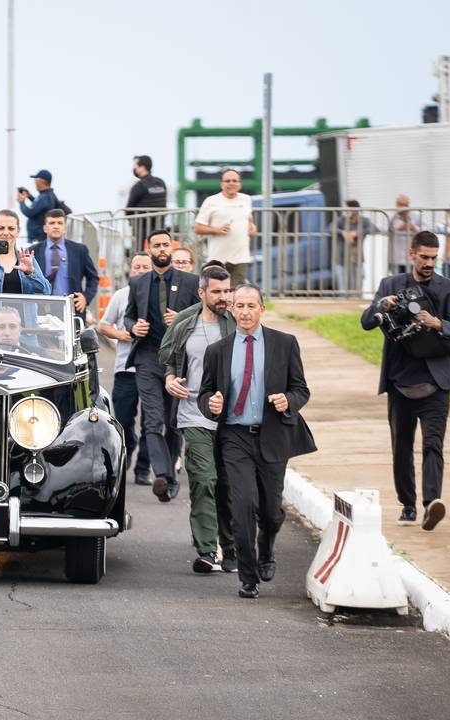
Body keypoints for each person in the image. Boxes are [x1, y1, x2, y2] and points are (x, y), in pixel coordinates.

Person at [198, 284, 316, 599]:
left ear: (262, 309)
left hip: (273, 435)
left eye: (252, 306)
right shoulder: (218, 351)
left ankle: (267, 550)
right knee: (243, 506)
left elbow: (301, 389)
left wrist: (287, 400)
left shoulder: (285, 344)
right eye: (240, 306)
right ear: (232, 310)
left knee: (270, 512)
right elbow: (205, 394)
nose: (246, 312)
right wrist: (212, 403)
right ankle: (248, 578)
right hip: (235, 437)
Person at [360, 230, 450, 530]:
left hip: (436, 381)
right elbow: (367, 322)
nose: (429, 263)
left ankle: (431, 503)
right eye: (424, 257)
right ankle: (407, 503)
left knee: (433, 444)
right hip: (400, 380)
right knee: (402, 447)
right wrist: (382, 306)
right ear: (411, 255)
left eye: (434, 258)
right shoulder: (390, 285)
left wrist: (436, 323)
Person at [160, 265, 237, 573]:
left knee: (228, 485)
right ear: (202, 292)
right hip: (193, 414)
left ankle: (230, 545)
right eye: (216, 291)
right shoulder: (184, 322)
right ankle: (206, 550)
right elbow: (166, 356)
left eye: (227, 291)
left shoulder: (237, 322)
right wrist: (169, 378)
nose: (224, 297)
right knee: (205, 480)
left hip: (233, 418)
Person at [120, 229, 200, 502]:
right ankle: (163, 476)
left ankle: (172, 476)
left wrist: (182, 318)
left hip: (178, 361)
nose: (162, 249)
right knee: (152, 419)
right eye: (157, 245)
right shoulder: (138, 283)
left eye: (166, 244)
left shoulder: (190, 282)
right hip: (147, 357)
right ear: (149, 248)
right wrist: (134, 327)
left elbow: (203, 317)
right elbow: (129, 317)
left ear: (171, 247)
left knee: (172, 421)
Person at [99, 251, 153, 485]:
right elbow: (103, 325)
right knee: (122, 419)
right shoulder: (122, 295)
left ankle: (144, 468)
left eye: (145, 267)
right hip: (125, 368)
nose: (141, 271)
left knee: (152, 422)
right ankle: (128, 445)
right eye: (137, 267)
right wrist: (123, 334)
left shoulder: (158, 297)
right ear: (131, 271)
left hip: (153, 369)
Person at [29, 209, 98, 322]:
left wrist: (86, 297)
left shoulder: (79, 250)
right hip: (41, 311)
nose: (56, 226)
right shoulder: (32, 251)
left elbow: (93, 278)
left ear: (65, 228)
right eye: (52, 223)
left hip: (72, 310)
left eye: (60, 223)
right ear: (45, 228)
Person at [194, 169, 256, 286]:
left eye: (234, 181)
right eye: (227, 181)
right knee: (217, 291)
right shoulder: (211, 201)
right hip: (218, 258)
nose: (231, 183)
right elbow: (197, 228)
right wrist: (216, 230)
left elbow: (249, 218)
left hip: (240, 257)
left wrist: (251, 226)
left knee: (237, 293)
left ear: (239, 184)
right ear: (221, 184)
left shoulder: (246, 199)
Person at [328, 200, 380, 295]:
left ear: (355, 210)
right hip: (341, 260)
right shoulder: (342, 220)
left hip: (357, 259)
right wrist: (343, 233)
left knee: (357, 290)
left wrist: (356, 233)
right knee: (343, 291)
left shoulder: (364, 220)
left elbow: (375, 228)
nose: (345, 212)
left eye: (347, 209)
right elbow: (330, 228)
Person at [18, 169, 58, 243]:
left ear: (41, 181)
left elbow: (29, 212)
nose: (35, 182)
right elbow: (40, 207)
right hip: (40, 238)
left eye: (36, 179)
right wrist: (30, 197)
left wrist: (21, 202)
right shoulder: (48, 195)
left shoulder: (44, 197)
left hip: (38, 239)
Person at [390, 195, 421, 275]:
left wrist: (413, 228)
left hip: (412, 258)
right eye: (401, 205)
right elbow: (383, 229)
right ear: (397, 205)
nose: (403, 207)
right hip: (397, 258)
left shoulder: (415, 216)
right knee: (398, 282)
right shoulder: (391, 216)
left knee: (413, 283)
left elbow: (426, 229)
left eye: (405, 205)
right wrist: (398, 229)